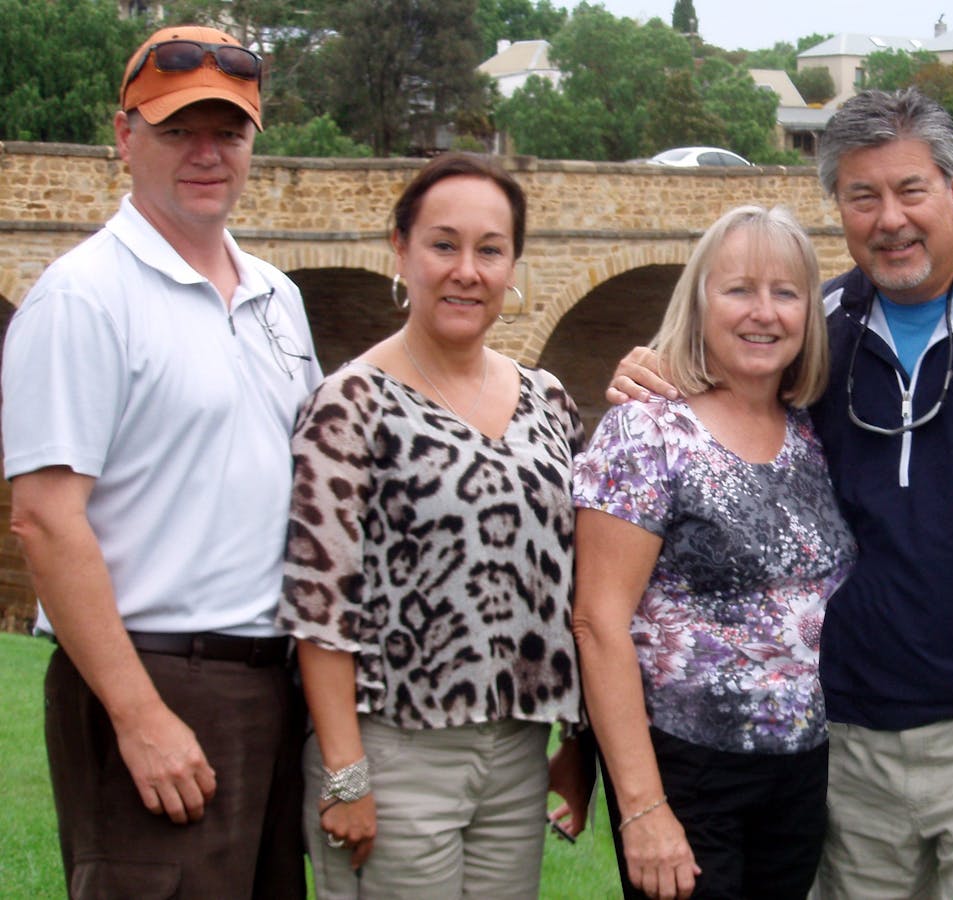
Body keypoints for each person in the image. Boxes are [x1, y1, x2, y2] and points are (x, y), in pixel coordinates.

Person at [611, 89, 953, 898]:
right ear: (837, 205)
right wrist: (649, 373)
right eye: (863, 196)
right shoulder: (817, 326)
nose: (890, 219)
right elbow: (724, 398)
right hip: (847, 739)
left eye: (911, 190)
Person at [1, 24, 318, 898]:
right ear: (125, 137)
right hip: (152, 675)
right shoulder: (83, 297)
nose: (207, 154)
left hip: (271, 679)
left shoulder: (278, 298)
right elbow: (45, 519)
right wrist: (138, 714)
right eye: (178, 131)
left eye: (229, 132)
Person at [277, 152, 586, 897]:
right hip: (394, 748)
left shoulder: (547, 402)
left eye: (491, 250)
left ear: (513, 265)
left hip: (519, 750)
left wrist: (579, 744)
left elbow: (579, 585)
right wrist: (347, 774)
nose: (467, 272)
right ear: (401, 249)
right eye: (444, 245)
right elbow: (318, 604)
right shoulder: (351, 404)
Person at [573, 205, 856, 900]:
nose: (764, 312)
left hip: (798, 771)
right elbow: (598, 623)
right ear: (700, 302)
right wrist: (642, 806)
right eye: (739, 290)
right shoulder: (647, 431)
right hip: (686, 767)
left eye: (785, 293)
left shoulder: (809, 432)